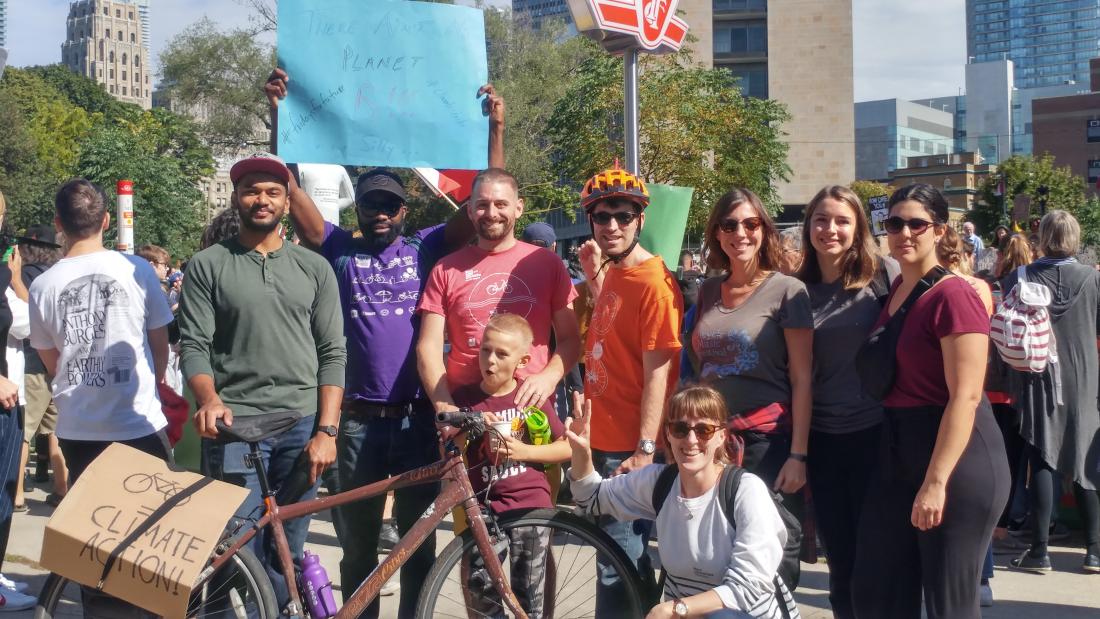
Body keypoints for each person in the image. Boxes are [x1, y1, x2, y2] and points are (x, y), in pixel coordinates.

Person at [265, 67, 503, 616]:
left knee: (418, 545)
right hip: (356, 426)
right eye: (371, 204)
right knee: (356, 551)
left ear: (404, 211)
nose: (380, 213)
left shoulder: (427, 247)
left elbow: (482, 202)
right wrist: (280, 114)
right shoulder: (338, 248)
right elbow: (291, 190)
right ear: (359, 209)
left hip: (418, 420)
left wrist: (494, 130)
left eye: (390, 206)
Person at [179, 152, 346, 607]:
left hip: (301, 428)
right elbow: (193, 346)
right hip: (236, 427)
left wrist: (327, 431)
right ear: (236, 198)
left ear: (289, 202)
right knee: (235, 553)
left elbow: (333, 353)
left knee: (285, 551)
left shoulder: (315, 269)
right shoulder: (209, 264)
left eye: (274, 191)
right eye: (252, 189)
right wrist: (208, 399)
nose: (262, 199)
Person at [851, 183, 1009, 619]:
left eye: (916, 223)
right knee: (878, 590)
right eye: (894, 223)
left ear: (939, 230)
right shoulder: (899, 287)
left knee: (949, 604)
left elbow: (967, 395)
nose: (904, 232)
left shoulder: (955, 294)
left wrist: (936, 481)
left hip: (956, 457)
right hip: (900, 448)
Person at [27, 180, 173, 615]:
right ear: (107, 221)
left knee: (96, 534)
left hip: (79, 428)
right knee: (149, 534)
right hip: (139, 422)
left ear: (58, 225)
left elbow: (51, 358)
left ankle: (100, 606)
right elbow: (160, 340)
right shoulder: (138, 271)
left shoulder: (43, 285)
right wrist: (157, 385)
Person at [567, 385, 799, 619]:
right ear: (667, 433)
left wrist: (675, 607)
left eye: (704, 430)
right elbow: (591, 497)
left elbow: (746, 588)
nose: (691, 440)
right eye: (680, 428)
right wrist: (581, 452)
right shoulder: (660, 482)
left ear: (721, 436)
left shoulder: (746, 491)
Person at [575, 166, 684, 608]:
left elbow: (659, 371)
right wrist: (592, 277)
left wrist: (644, 448)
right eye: (602, 217)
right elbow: (616, 326)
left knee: (616, 562)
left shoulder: (656, 285)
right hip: (602, 437)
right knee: (615, 557)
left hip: (626, 448)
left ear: (641, 220)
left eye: (623, 216)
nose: (612, 226)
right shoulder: (616, 271)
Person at [795, 185, 896, 619]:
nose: (830, 229)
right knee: (841, 558)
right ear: (808, 226)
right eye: (821, 219)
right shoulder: (796, 288)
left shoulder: (884, 275)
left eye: (841, 220)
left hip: (877, 434)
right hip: (823, 439)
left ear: (858, 227)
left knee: (878, 556)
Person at [687, 189, 812, 517]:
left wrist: (798, 456)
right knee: (714, 549)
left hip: (767, 444)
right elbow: (702, 362)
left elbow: (802, 379)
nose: (740, 233)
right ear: (717, 233)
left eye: (750, 224)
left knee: (772, 552)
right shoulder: (709, 290)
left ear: (764, 230)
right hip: (710, 441)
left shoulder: (787, 290)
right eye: (729, 225)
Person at [417, 167, 579, 414]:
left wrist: (549, 377)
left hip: (531, 412)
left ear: (519, 207)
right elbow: (428, 346)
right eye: (482, 205)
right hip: (465, 412)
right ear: (470, 210)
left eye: (501, 204)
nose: (491, 213)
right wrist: (444, 405)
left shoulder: (547, 263)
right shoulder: (446, 269)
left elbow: (570, 339)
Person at [451, 313, 569, 617]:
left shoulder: (529, 396)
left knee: (529, 594)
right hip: (486, 509)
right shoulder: (465, 399)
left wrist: (523, 451)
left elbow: (566, 448)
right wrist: (467, 428)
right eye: (485, 350)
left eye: (502, 354)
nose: (490, 360)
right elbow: (448, 447)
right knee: (481, 589)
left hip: (531, 507)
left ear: (522, 360)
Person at [1005, 210, 1100, 574]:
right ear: (1075, 237)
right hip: (1084, 377)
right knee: (1083, 461)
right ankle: (1093, 551)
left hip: (1036, 374)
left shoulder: (1020, 276)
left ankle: (1039, 550)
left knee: (1041, 458)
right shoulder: (1092, 280)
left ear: (1042, 237)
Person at [13, 225, 67, 512]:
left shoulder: (21, 277)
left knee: (24, 431)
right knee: (56, 430)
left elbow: (25, 317)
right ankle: (62, 489)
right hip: (60, 364)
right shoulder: (59, 277)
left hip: (33, 363)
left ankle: (18, 494)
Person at [0, 191, 35, 611]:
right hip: (6, 394)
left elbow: (27, 325)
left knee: (6, 490)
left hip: (12, 398)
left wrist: (17, 281)